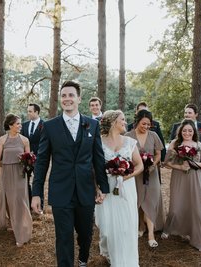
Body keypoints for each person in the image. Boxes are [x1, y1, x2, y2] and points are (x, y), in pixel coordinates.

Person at [31, 81, 109, 267]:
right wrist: (36, 193)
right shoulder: (50, 127)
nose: (67, 99)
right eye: (64, 96)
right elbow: (42, 162)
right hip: (61, 191)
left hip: (85, 189)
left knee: (85, 233)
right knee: (64, 237)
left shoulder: (91, 125)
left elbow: (98, 158)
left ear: (79, 99)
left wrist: (103, 187)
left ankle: (83, 259)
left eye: (71, 95)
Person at [95, 110, 144, 266]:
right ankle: (109, 253)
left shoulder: (130, 142)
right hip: (106, 188)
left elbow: (139, 165)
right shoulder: (98, 142)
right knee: (107, 229)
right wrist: (97, 188)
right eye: (122, 119)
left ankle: (126, 260)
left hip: (125, 189)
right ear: (113, 122)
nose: (125, 122)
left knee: (126, 225)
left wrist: (125, 176)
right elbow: (93, 168)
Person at [162, 119, 201, 253]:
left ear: (193, 132)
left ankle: (198, 238)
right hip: (178, 177)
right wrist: (180, 166)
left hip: (194, 178)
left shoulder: (198, 144)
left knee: (195, 208)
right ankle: (169, 228)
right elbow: (166, 163)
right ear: (180, 132)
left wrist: (193, 164)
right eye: (184, 130)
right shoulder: (175, 143)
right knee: (176, 207)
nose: (187, 133)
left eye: (189, 130)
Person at [0, 114, 33, 247]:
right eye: (18, 124)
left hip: (20, 173)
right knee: (8, 198)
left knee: (19, 200)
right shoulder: (2, 139)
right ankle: (11, 223)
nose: (20, 126)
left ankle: (22, 230)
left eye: (20, 123)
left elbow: (29, 159)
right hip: (6, 172)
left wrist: (29, 167)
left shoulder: (25, 140)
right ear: (10, 125)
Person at [125, 110, 165, 248]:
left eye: (149, 124)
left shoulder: (153, 135)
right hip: (135, 174)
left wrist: (153, 164)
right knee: (137, 200)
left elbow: (158, 153)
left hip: (151, 173)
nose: (146, 126)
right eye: (144, 124)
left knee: (150, 201)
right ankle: (140, 227)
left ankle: (151, 235)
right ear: (137, 122)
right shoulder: (128, 136)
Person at [169, 103, 201, 190]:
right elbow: (172, 144)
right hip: (181, 163)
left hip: (200, 162)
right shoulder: (176, 126)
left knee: (199, 187)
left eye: (189, 113)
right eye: (185, 113)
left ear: (196, 114)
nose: (187, 115)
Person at [20, 103, 44, 210]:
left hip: (40, 158)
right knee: (25, 181)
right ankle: (29, 203)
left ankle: (40, 205)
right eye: (28, 111)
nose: (28, 113)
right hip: (26, 160)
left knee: (38, 181)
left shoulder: (45, 125)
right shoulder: (24, 125)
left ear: (37, 112)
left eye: (30, 111)